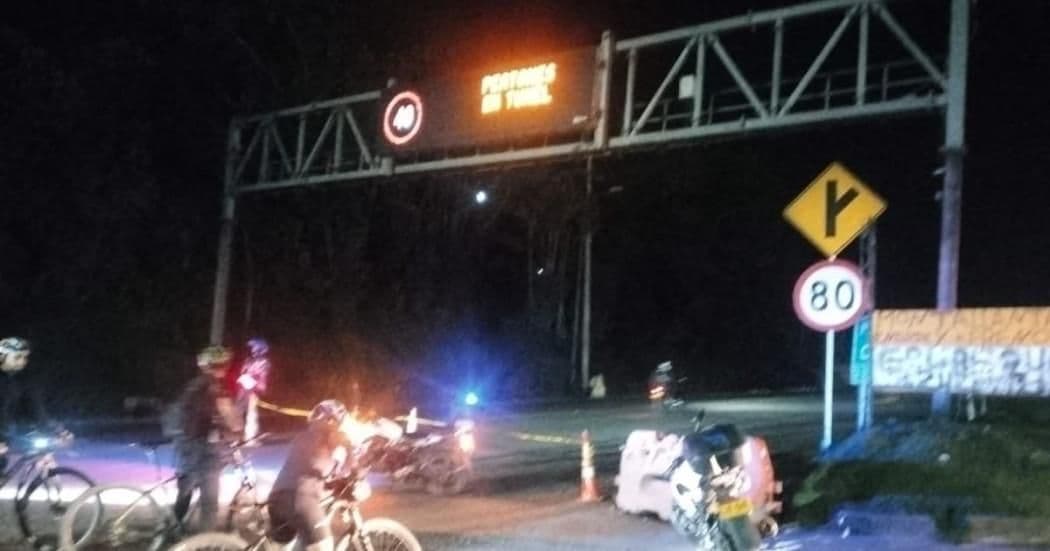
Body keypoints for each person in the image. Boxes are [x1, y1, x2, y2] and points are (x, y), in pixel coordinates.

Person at [171, 345, 243, 532]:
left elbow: (181, 413)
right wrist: (237, 430)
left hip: (185, 446)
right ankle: (207, 543)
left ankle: (171, 529)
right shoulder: (217, 388)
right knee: (210, 503)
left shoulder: (193, 386)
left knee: (185, 492)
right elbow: (230, 419)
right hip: (205, 449)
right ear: (223, 366)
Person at [268, 400, 356, 551]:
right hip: (300, 499)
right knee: (324, 546)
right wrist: (355, 470)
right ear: (332, 420)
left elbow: (313, 466)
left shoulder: (302, 437)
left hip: (276, 499)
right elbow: (349, 465)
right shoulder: (333, 435)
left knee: (291, 545)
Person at [0, 337, 63, 442]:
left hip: (9, 438)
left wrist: (56, 430)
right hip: (4, 439)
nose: (23, 361)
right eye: (17, 357)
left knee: (42, 455)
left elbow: (34, 409)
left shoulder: (19, 382)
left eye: (25, 357)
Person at [236, 337, 272, 441]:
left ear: (262, 350)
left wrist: (257, 386)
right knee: (238, 409)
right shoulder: (248, 361)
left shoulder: (264, 362)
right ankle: (236, 433)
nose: (253, 350)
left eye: (256, 348)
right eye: (252, 348)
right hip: (244, 387)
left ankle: (251, 433)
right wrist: (243, 376)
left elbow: (263, 376)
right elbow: (243, 372)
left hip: (254, 388)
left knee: (252, 411)